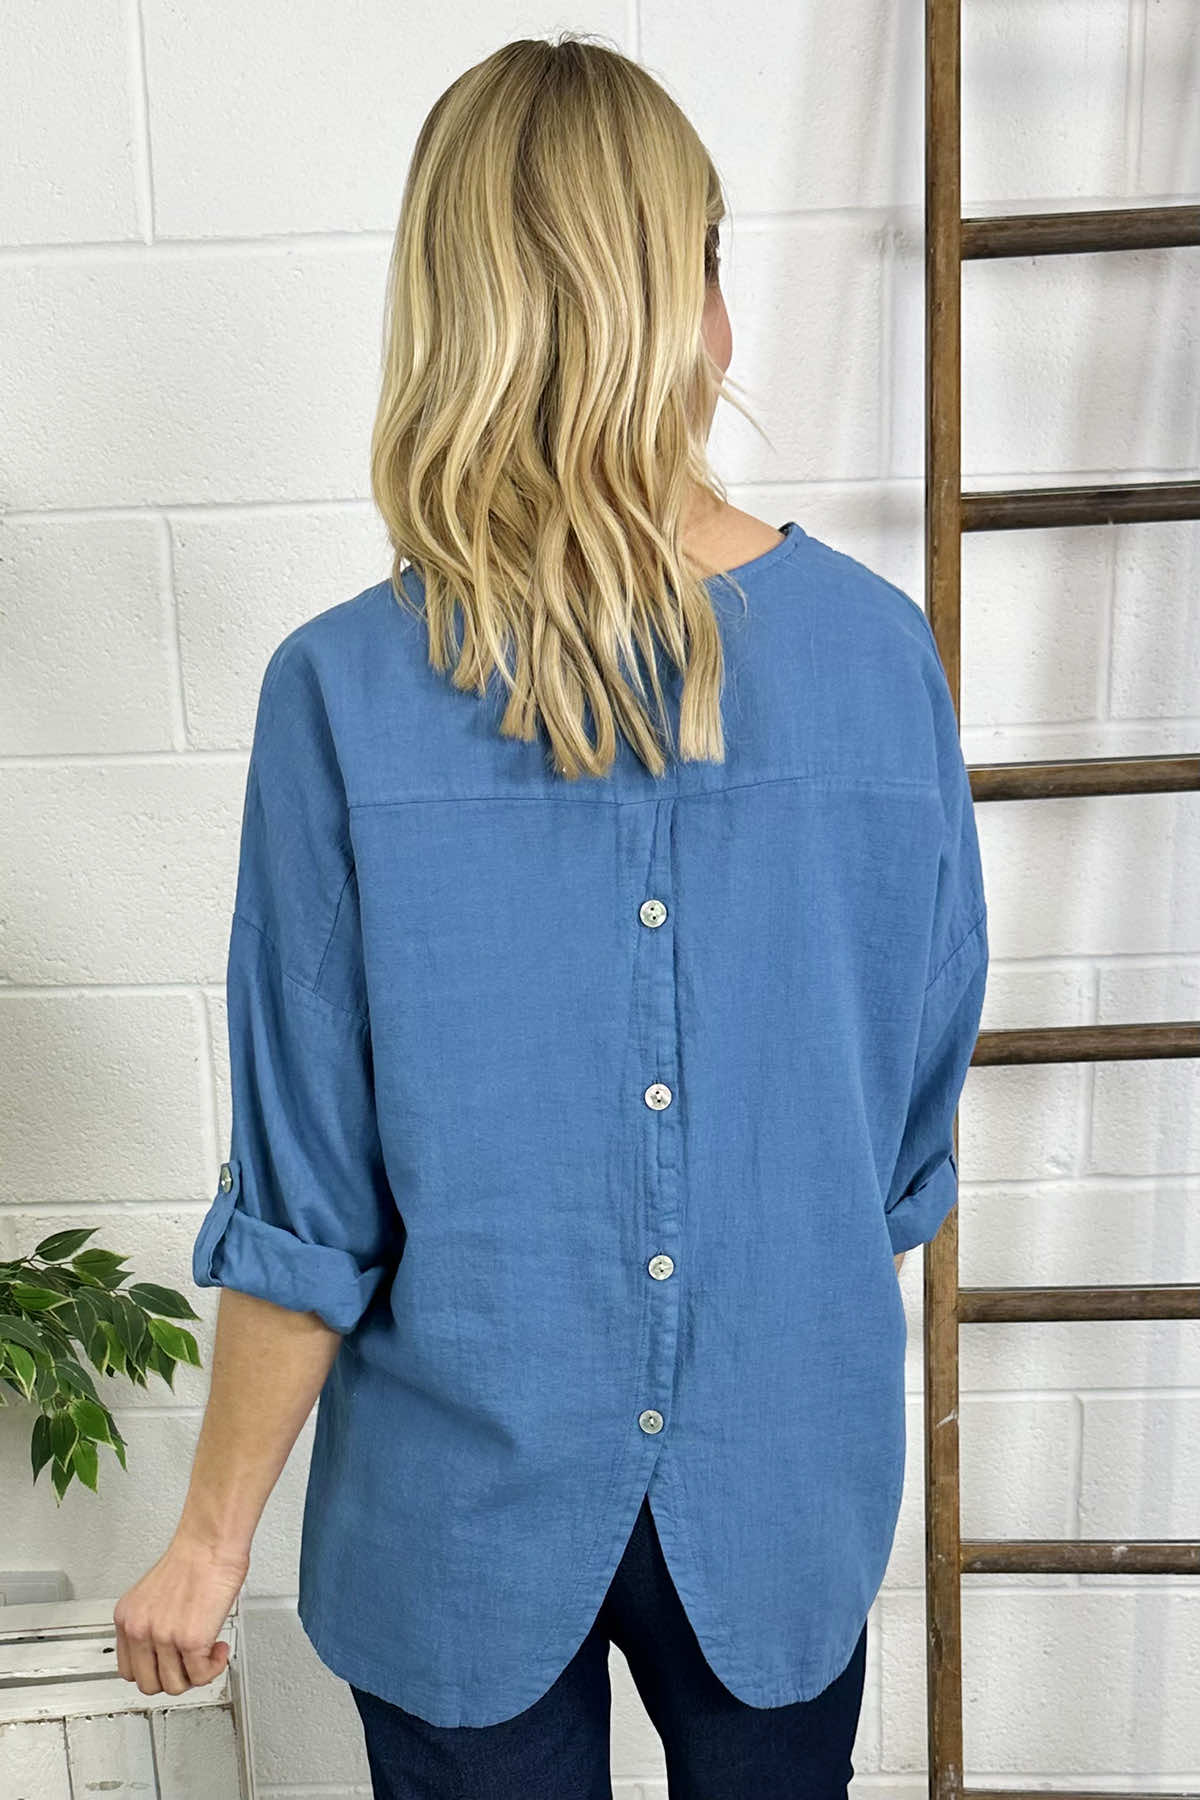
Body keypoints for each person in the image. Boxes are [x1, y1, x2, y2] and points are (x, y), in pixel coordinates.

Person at [112, 32, 988, 1800]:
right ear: (694, 302)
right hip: (786, 1481)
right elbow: (906, 1135)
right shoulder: (881, 658)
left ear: (451, 308)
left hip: (459, 1507)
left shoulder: (343, 691)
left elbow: (308, 1196)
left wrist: (208, 1541)